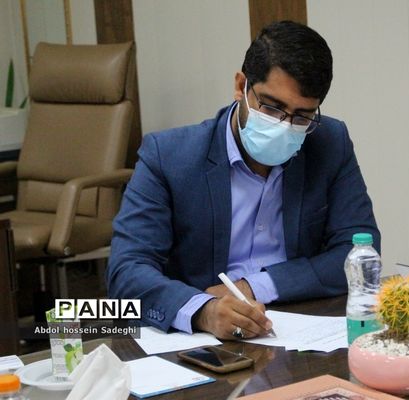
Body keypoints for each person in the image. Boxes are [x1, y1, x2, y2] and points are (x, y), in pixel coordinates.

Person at [106, 21, 380, 340]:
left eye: (302, 116)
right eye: (272, 107)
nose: (284, 125)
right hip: (200, 341)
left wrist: (255, 286)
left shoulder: (330, 142)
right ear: (241, 86)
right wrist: (204, 311)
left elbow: (359, 253)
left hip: (300, 328)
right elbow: (126, 271)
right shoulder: (169, 156)